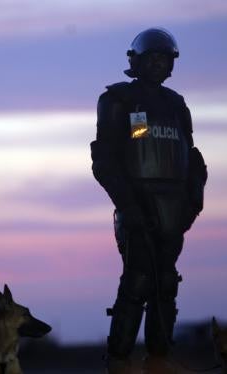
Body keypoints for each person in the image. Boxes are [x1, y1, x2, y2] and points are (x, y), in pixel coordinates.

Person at [90, 28, 207, 373]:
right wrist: (129, 206)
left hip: (176, 210)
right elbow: (106, 161)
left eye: (164, 58)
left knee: (166, 282)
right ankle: (119, 360)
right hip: (136, 207)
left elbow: (192, 158)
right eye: (152, 57)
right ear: (136, 61)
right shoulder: (119, 100)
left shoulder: (176, 104)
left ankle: (159, 359)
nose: (158, 64)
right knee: (138, 280)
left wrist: (193, 204)